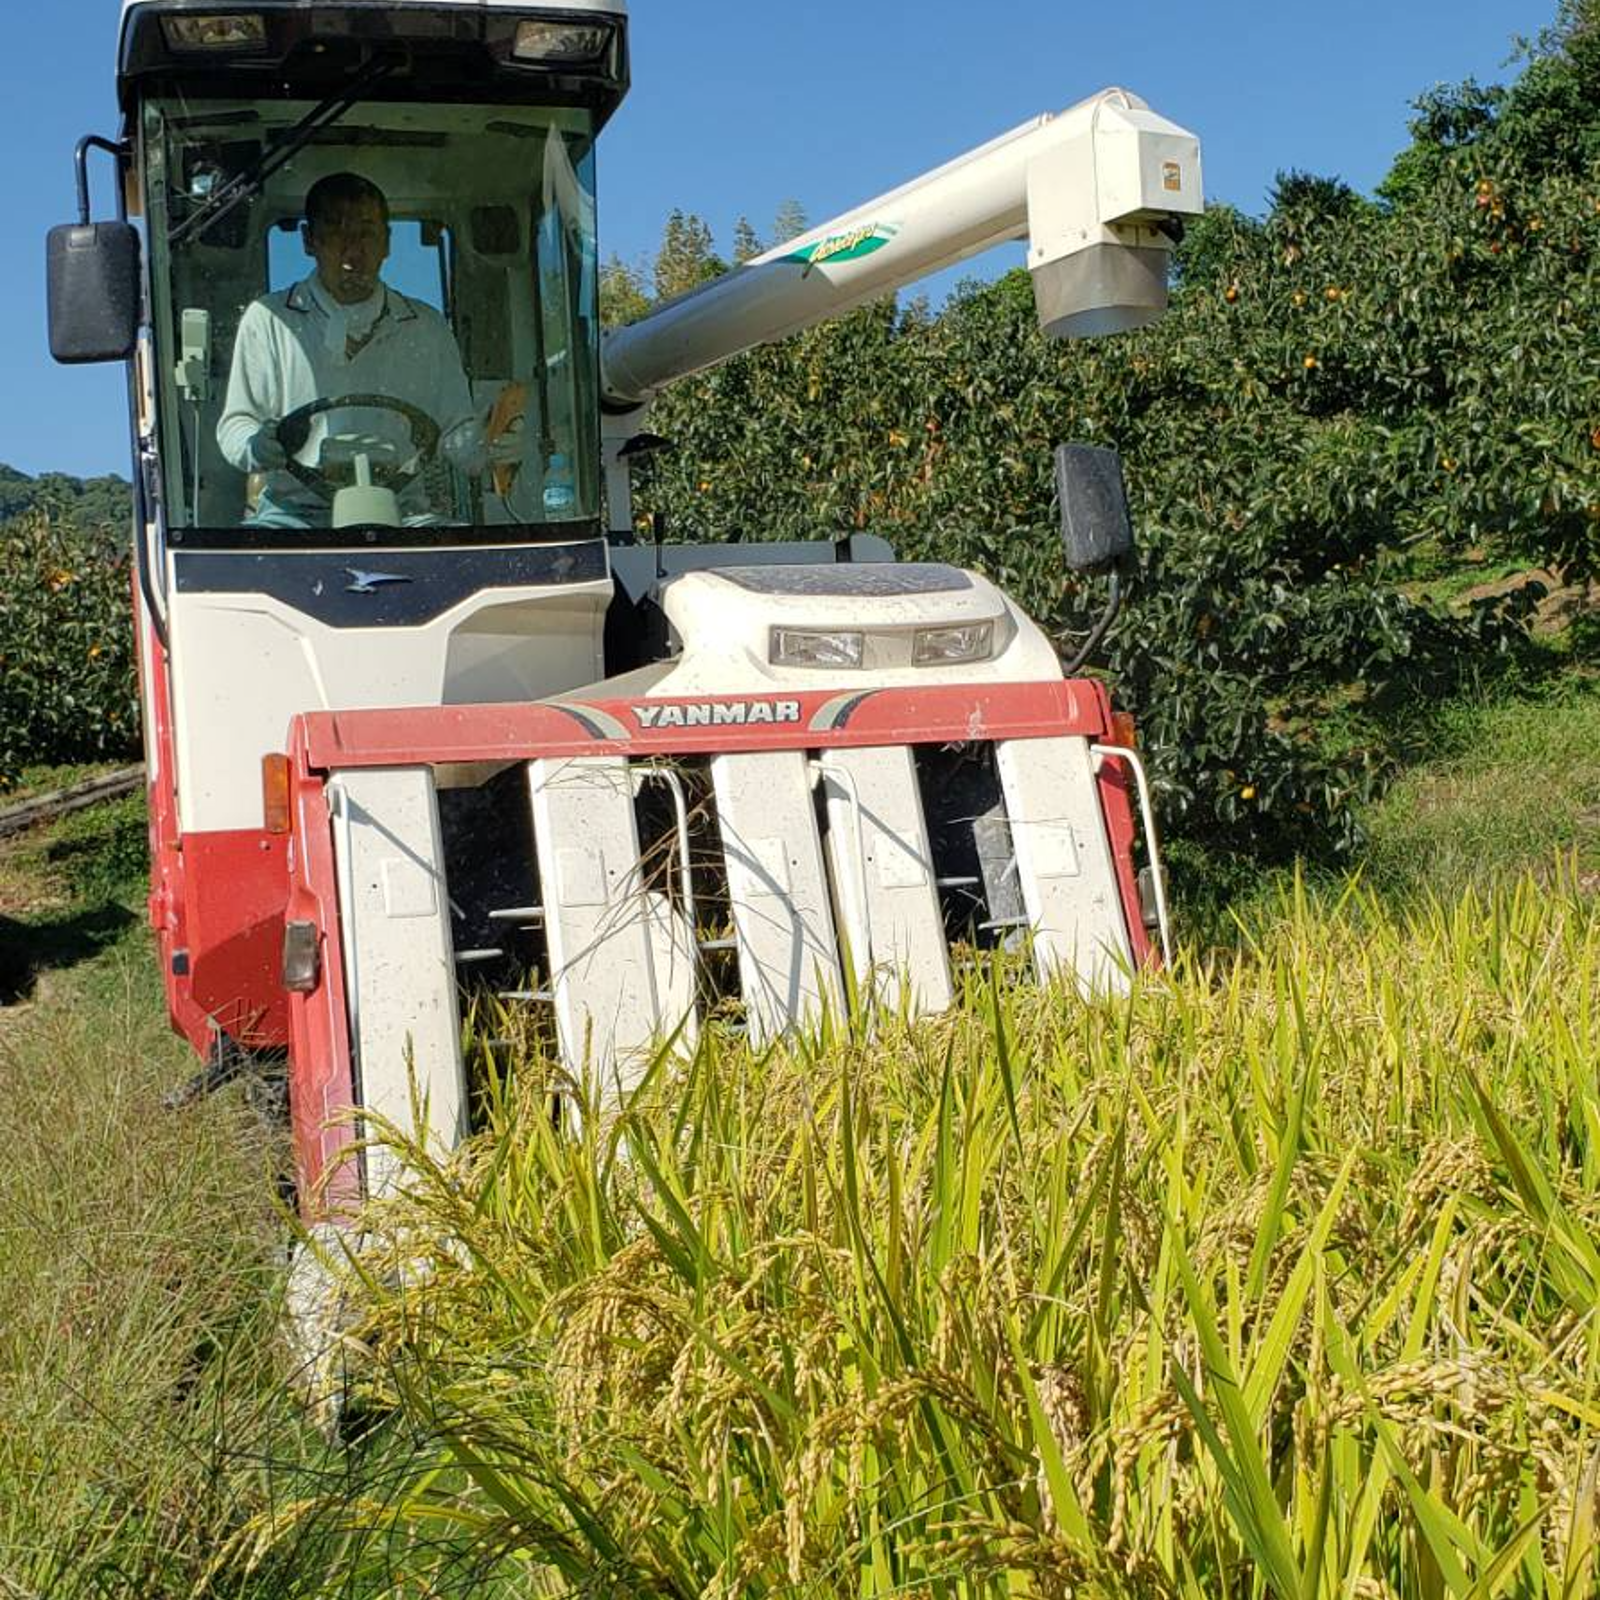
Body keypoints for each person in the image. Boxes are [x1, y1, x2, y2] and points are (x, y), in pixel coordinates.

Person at [217, 172, 486, 526]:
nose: (353, 249)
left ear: (387, 243)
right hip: (294, 517)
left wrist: (488, 443)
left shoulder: (427, 328)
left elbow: (457, 431)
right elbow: (236, 424)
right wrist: (257, 445)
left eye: (366, 232)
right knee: (253, 554)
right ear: (309, 240)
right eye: (335, 230)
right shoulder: (269, 320)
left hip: (403, 513)